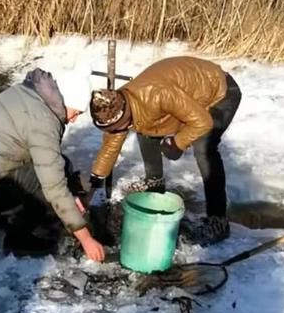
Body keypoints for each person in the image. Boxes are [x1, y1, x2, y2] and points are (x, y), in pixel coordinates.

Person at [0, 68, 105, 262]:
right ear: (66, 101)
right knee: (50, 185)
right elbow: (54, 186)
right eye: (76, 112)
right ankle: (23, 241)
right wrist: (86, 238)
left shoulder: (27, 93)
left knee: (60, 165)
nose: (73, 119)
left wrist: (72, 196)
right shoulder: (43, 121)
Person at [88, 56, 241, 245]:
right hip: (187, 99)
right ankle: (155, 184)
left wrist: (177, 143)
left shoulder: (156, 94)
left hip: (220, 92)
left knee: (204, 147)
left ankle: (218, 221)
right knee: (146, 131)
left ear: (126, 113)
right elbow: (112, 142)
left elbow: (203, 121)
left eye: (121, 125)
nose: (119, 131)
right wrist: (96, 178)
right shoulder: (115, 105)